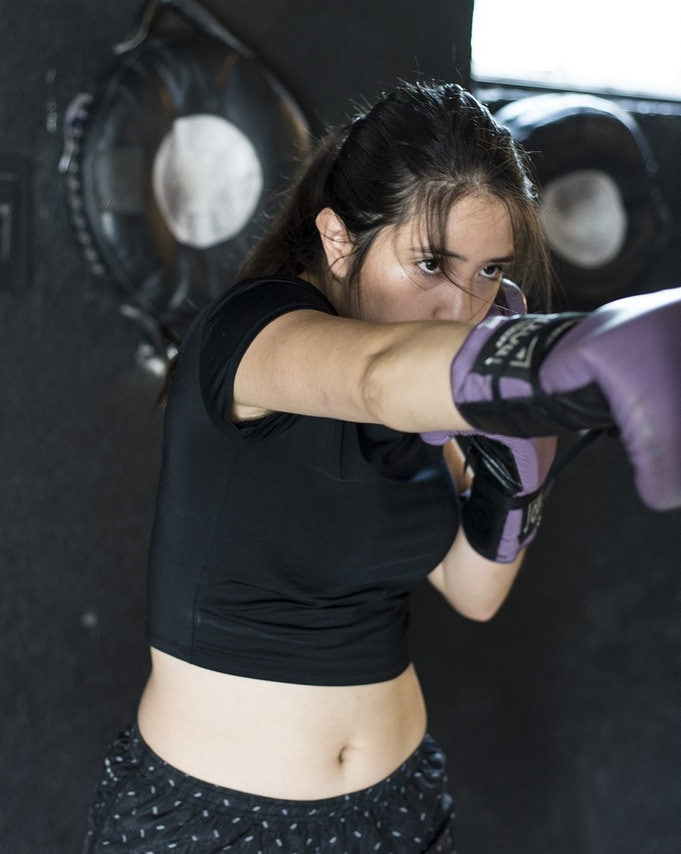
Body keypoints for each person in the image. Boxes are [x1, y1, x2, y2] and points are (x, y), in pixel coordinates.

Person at [83, 80, 557, 853]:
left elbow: (474, 590)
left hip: (397, 808)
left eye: (489, 273)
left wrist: (521, 471)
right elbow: (374, 376)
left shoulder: (433, 392)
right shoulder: (255, 333)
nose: (463, 307)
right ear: (338, 240)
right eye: (432, 263)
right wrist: (538, 369)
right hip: (214, 823)